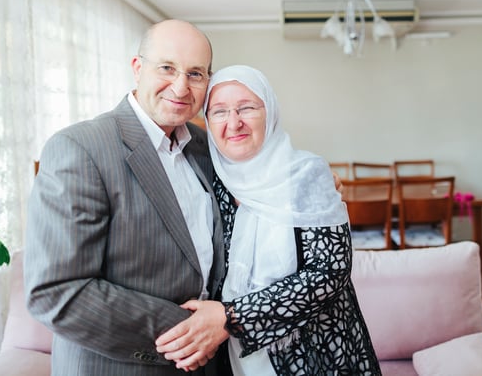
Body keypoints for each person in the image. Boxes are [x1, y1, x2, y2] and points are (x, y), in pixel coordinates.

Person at [24, 19, 231, 376]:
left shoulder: (205, 148)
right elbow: (56, 292)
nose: (181, 86)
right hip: (119, 366)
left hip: (209, 363)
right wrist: (192, 330)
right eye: (167, 68)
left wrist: (312, 184)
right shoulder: (79, 148)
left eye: (195, 74)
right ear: (138, 69)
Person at [155, 65, 381, 375]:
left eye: (247, 108)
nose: (234, 123)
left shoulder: (306, 173)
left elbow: (329, 272)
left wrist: (232, 317)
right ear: (207, 122)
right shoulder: (210, 181)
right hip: (234, 356)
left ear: (270, 112)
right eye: (219, 112)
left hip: (315, 353)